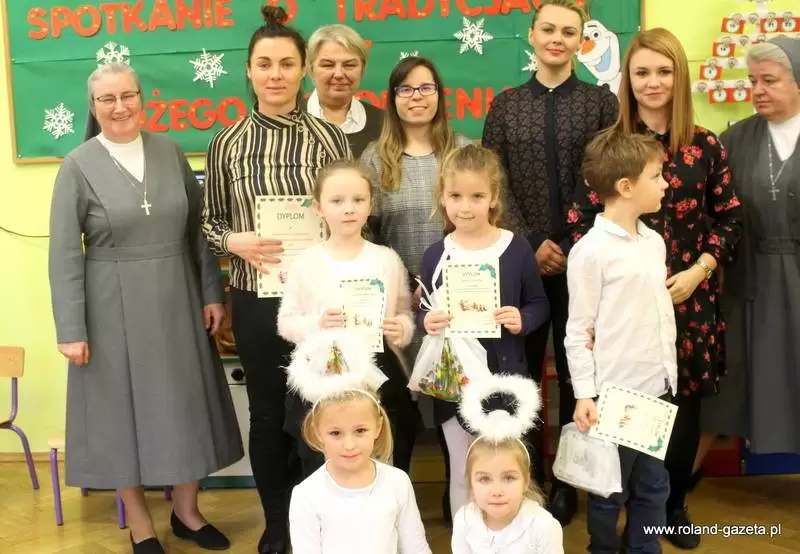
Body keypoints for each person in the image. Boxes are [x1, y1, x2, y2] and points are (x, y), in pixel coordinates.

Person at [49, 62, 243, 554]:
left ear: (141, 98)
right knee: (120, 414)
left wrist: (211, 292)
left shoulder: (170, 152)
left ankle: (187, 513)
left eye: (128, 95)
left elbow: (196, 230)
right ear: (93, 106)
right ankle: (140, 525)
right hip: (109, 306)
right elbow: (64, 254)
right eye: (107, 99)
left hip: (178, 295)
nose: (120, 107)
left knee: (184, 405)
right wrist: (71, 328)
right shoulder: (77, 165)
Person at [566, 28, 743, 550]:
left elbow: (730, 218)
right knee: (619, 429)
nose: (653, 82)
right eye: (642, 72)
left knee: (680, 410)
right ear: (627, 79)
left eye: (664, 71)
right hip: (623, 311)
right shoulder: (610, 145)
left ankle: (671, 508)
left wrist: (700, 270)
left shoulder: (705, 144)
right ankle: (614, 522)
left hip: (688, 300)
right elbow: (581, 220)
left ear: (679, 76)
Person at [200, 6, 352, 554]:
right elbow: (208, 222)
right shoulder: (226, 143)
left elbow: (349, 208)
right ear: (249, 70)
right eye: (264, 64)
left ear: (303, 70)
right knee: (267, 414)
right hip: (257, 298)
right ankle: (278, 523)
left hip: (319, 299)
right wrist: (233, 242)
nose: (276, 74)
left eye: (287, 63)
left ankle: (319, 522)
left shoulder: (330, 139)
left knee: (319, 408)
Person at [481, 0, 619, 524]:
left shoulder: (601, 103)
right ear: (532, 34)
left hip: (586, 259)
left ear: (581, 40)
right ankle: (530, 477)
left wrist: (569, 240)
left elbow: (607, 176)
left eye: (569, 31)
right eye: (548, 29)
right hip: (522, 263)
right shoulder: (506, 105)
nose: (557, 38)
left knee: (579, 374)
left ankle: (570, 481)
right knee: (522, 374)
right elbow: (494, 180)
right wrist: (534, 241)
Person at [361, 55, 470, 523]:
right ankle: (394, 505)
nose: (416, 98)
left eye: (426, 88)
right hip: (398, 308)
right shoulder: (375, 159)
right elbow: (366, 234)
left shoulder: (463, 152)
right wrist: (392, 293)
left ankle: (457, 496)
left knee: (453, 405)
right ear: (393, 99)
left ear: (440, 95)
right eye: (405, 89)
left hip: (455, 308)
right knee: (399, 412)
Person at [417, 144, 550, 518]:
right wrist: (427, 321)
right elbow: (424, 309)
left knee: (506, 470)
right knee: (463, 472)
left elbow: (539, 304)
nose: (465, 206)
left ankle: (509, 537)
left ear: (494, 198)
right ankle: (467, 540)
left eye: (477, 196)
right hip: (455, 381)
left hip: (505, 378)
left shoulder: (516, 248)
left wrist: (522, 318)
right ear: (442, 197)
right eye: (455, 196)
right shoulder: (435, 255)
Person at [566, 130, 673, 554]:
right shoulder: (590, 251)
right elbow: (578, 329)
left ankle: (645, 549)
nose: (665, 183)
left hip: (655, 389)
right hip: (614, 394)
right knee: (609, 489)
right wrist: (584, 393)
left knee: (653, 485)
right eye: (657, 176)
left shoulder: (654, 242)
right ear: (626, 187)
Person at [277, 159, 419, 474]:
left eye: (358, 200)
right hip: (323, 372)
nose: (349, 209)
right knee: (325, 458)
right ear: (319, 207)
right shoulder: (306, 261)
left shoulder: (386, 259)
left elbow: (404, 314)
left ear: (370, 205)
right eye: (337, 201)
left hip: (378, 370)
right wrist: (317, 324)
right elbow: (286, 322)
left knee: (384, 453)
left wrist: (400, 329)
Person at [706, 36, 800, 458]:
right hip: (751, 280)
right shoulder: (734, 140)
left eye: (770, 81)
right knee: (746, 379)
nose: (757, 90)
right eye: (752, 81)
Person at [286, 331, 432, 553]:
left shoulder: (397, 482)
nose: (349, 445)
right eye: (336, 433)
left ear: (378, 427)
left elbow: (416, 547)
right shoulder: (306, 495)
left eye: (360, 430)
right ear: (317, 432)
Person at [451, 374, 563, 553]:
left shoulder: (543, 526)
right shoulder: (464, 521)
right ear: (470, 483)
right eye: (484, 479)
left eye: (509, 478)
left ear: (526, 481)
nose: (497, 491)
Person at [305, 24, 384, 157]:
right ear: (311, 69)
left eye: (349, 65)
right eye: (328, 65)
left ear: (362, 69)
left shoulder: (385, 124)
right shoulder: (287, 121)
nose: (339, 74)